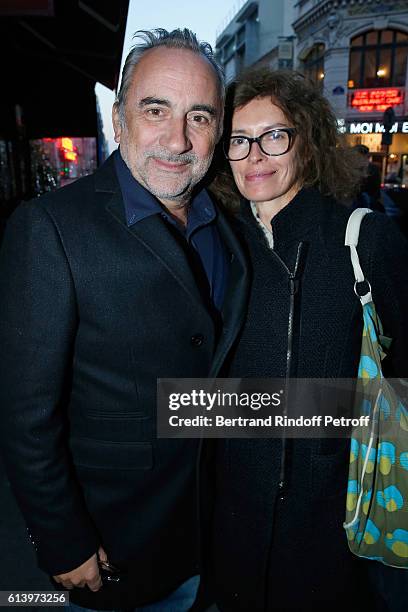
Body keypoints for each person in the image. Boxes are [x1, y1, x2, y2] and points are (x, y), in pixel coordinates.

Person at [0, 29, 249, 612]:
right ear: (119, 120)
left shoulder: (231, 230)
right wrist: (62, 540)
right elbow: (25, 415)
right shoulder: (50, 228)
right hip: (113, 549)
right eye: (155, 109)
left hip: (218, 538)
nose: (178, 140)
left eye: (200, 117)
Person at [202, 69, 408, 611]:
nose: (255, 156)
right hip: (233, 518)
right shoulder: (215, 242)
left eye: (274, 136)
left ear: (308, 141)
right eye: (239, 141)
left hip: (333, 517)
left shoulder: (364, 239)